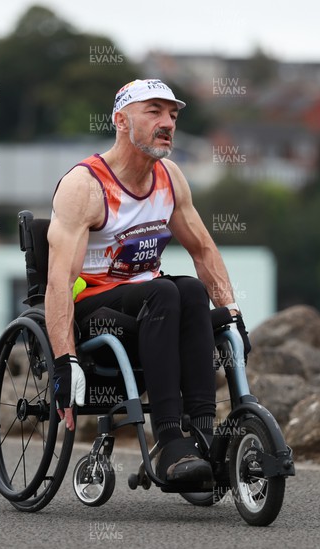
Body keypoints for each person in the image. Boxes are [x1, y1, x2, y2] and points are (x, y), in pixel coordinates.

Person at [45, 78, 248, 485]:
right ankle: (170, 440)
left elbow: (204, 251)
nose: (168, 122)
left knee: (188, 289)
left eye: (172, 114)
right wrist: (65, 361)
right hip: (94, 309)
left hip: (154, 305)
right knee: (164, 292)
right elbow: (58, 283)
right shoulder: (85, 186)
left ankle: (203, 436)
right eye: (153, 112)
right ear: (121, 120)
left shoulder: (170, 177)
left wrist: (232, 313)